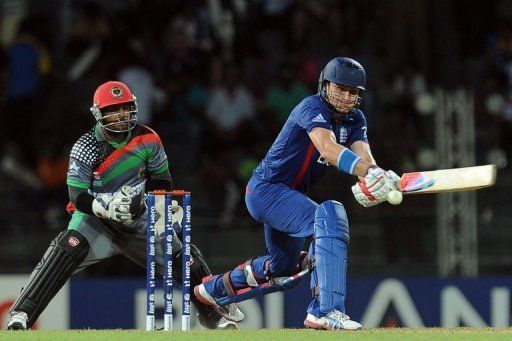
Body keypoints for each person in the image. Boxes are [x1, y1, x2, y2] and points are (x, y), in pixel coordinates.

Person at [7, 81, 244, 330]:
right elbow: (77, 197)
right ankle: (21, 315)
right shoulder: (86, 147)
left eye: (125, 108)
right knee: (68, 246)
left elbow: (161, 180)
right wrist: (106, 208)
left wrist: (163, 206)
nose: (120, 115)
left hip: (138, 218)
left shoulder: (148, 139)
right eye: (113, 109)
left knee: (183, 256)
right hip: (96, 220)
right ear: (99, 113)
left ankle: (214, 315)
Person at [194, 57, 400, 330]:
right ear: (324, 85)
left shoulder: (355, 119)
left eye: (353, 92)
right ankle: (326, 311)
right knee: (330, 216)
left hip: (288, 196)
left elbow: (366, 159)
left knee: (284, 269)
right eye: (340, 88)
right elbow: (327, 148)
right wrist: (365, 171)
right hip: (267, 190)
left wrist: (380, 178)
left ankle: (212, 292)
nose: (346, 96)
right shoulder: (311, 107)